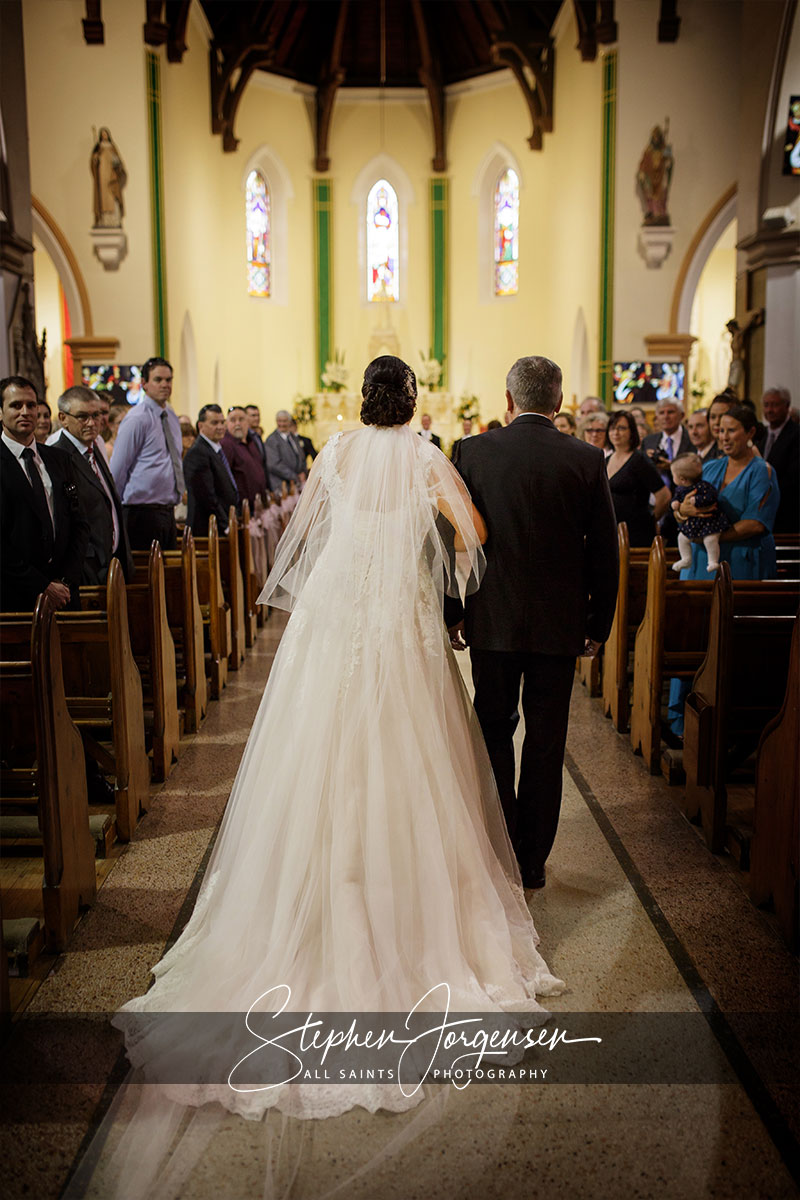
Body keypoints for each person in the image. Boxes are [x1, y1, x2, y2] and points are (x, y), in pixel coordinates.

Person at [91, 357, 565, 1195]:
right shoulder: (424, 456)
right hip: (400, 628)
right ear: (412, 401)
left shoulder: (337, 454)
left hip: (335, 620)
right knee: (412, 757)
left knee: (317, 756)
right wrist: (423, 548)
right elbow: (475, 537)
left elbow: (305, 529)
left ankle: (301, 900)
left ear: (358, 400)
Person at [455, 356, 618, 889]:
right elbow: (603, 552)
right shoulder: (587, 458)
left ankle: (501, 850)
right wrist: (600, 622)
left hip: (492, 620)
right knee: (546, 740)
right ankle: (531, 861)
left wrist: (453, 609)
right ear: (559, 402)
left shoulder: (473, 452)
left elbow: (456, 539)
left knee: (494, 731)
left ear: (508, 400)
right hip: (558, 624)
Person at [668, 404, 780, 736]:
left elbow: (756, 524)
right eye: (721, 430)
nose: (725, 436)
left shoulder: (763, 471)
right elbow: (682, 506)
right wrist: (682, 513)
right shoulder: (711, 467)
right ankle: (683, 724)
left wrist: (711, 534)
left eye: (732, 430)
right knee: (693, 638)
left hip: (741, 564)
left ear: (750, 433)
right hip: (701, 568)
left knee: (731, 647)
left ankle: (731, 726)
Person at [0, 376, 89, 612]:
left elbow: (79, 524)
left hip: (64, 594)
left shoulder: (58, 459)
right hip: (16, 596)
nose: (25, 412)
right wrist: (43, 586)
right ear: (0, 412)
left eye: (31, 405)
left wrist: (64, 581)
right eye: (15, 405)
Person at [49, 385, 133, 583]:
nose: (92, 423)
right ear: (63, 418)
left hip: (109, 563)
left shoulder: (93, 447)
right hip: (86, 569)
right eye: (82, 416)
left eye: (96, 415)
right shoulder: (56, 456)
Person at [111, 357, 184, 551]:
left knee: (168, 575)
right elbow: (118, 468)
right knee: (149, 576)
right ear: (144, 384)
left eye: (169, 380)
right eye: (158, 380)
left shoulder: (171, 416)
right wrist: (114, 513)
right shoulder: (136, 418)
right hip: (141, 512)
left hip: (167, 511)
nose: (165, 385)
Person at [606, 411, 670, 546]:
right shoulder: (606, 460)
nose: (615, 432)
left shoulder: (639, 460)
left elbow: (664, 495)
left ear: (632, 432)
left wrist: (651, 520)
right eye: (612, 428)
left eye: (621, 428)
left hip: (637, 532)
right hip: (611, 531)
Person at [184, 403, 239, 536]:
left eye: (222, 422)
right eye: (214, 423)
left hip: (219, 525)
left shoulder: (215, 449)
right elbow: (207, 496)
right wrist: (225, 525)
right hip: (208, 528)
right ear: (200, 426)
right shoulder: (198, 452)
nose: (220, 427)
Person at [670, 453, 729, 573]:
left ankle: (712, 561)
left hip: (709, 522)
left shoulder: (704, 486)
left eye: (673, 476)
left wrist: (697, 500)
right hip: (693, 523)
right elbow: (676, 498)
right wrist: (676, 505)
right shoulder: (680, 489)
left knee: (710, 539)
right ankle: (686, 559)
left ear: (682, 479)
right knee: (681, 538)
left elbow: (711, 497)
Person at [758, 386, 799, 533]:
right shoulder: (761, 435)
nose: (769, 410)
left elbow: (793, 477)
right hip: (763, 510)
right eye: (766, 405)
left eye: (774, 405)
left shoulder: (796, 435)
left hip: (786, 510)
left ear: (787, 406)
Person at [222, 405, 268, 507]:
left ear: (247, 422)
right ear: (226, 424)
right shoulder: (226, 444)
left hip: (258, 504)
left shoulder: (252, 441)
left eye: (241, 419)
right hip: (242, 506)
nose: (237, 424)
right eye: (233, 420)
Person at [265, 409, 305, 490]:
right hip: (282, 486)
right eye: (279, 421)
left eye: (284, 421)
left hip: (297, 484)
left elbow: (302, 457)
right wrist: (295, 476)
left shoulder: (293, 438)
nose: (282, 424)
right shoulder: (271, 439)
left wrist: (303, 472)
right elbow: (274, 465)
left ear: (289, 422)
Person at [707, 391, 737, 456]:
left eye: (722, 417)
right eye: (713, 417)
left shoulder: (742, 454)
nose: (717, 422)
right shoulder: (707, 454)